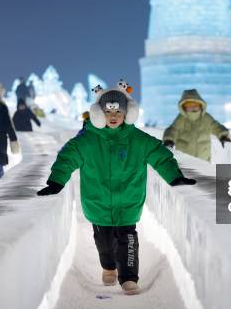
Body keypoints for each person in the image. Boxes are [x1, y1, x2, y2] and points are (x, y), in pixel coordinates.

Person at [37, 80, 196, 296]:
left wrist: (175, 177)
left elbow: (160, 155)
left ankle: (129, 277)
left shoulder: (137, 140)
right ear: (99, 115)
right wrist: (56, 181)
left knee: (128, 239)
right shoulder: (86, 140)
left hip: (128, 202)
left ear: (127, 114)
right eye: (108, 113)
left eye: (119, 112)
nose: (114, 117)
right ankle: (109, 267)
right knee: (104, 243)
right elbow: (67, 157)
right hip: (98, 203)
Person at [163, 89, 231, 162]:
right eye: (189, 105)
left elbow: (215, 126)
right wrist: (169, 139)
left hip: (203, 157)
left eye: (195, 104)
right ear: (183, 106)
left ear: (200, 104)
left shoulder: (206, 118)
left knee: (203, 171)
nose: (192, 107)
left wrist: (223, 135)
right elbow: (173, 129)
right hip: (184, 158)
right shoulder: (181, 118)